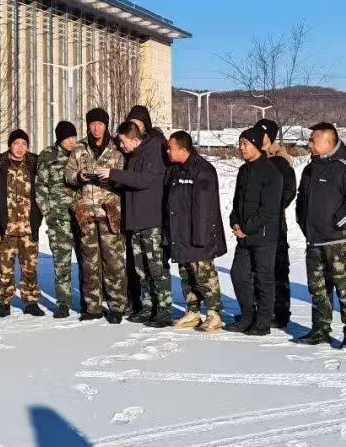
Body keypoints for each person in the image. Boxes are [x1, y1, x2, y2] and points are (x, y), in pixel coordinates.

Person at [295, 122, 346, 350]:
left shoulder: (344, 167)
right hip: (314, 241)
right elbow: (301, 199)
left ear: (328, 141)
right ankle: (320, 329)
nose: (309, 143)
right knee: (317, 289)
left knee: (345, 288)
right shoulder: (310, 169)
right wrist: (303, 222)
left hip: (339, 243)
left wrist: (337, 222)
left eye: (313, 140)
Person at [104, 120, 171, 325]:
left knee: (156, 268)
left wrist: (113, 173)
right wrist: (112, 181)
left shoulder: (153, 151)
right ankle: (148, 306)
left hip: (151, 221)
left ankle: (163, 309)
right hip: (136, 221)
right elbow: (131, 183)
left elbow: (144, 180)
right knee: (141, 269)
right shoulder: (134, 155)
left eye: (123, 141)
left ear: (134, 139)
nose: (121, 146)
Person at [65, 108, 129, 323]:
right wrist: (79, 176)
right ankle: (92, 307)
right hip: (86, 213)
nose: (96, 128)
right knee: (89, 263)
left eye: (100, 124)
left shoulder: (117, 148)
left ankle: (117, 306)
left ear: (106, 125)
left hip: (110, 213)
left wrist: (111, 179)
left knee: (113, 262)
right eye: (92, 124)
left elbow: (125, 176)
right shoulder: (79, 148)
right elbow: (68, 174)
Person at [165, 130, 226, 331]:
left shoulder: (203, 170)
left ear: (183, 149)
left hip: (199, 235)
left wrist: (200, 238)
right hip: (181, 233)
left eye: (170, 148)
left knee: (204, 275)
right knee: (186, 274)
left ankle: (214, 313)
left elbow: (205, 207)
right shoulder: (177, 169)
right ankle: (192, 311)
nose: (167, 151)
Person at [224, 124, 282, 336]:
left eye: (245, 143)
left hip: (264, 237)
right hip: (244, 236)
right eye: (240, 143)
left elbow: (269, 209)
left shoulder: (271, 173)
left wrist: (247, 228)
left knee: (263, 279)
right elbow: (237, 201)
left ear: (257, 145)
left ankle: (263, 322)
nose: (241, 147)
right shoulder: (243, 171)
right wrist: (234, 221)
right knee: (238, 274)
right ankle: (247, 316)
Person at [0, 129, 44, 317]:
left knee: (30, 268)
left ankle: (31, 302)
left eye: (24, 144)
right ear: (10, 145)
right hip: (6, 227)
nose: (20, 147)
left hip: (28, 227)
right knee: (5, 268)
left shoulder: (35, 164)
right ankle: (4, 302)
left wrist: (39, 213)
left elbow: (43, 189)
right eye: (16, 143)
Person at [33, 121, 80, 318]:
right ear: (59, 139)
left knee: (87, 262)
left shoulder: (81, 153)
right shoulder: (48, 156)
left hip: (82, 217)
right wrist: (48, 212)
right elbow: (40, 186)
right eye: (67, 138)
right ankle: (63, 303)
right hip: (58, 219)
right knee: (62, 263)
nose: (71, 141)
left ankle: (89, 302)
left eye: (73, 137)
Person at [254, 118, 297, 329]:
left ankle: (280, 312)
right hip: (255, 223)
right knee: (257, 268)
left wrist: (271, 208)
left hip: (274, 224)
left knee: (277, 268)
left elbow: (289, 191)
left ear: (269, 137)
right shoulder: (254, 159)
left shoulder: (280, 161)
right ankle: (261, 310)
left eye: (260, 133)